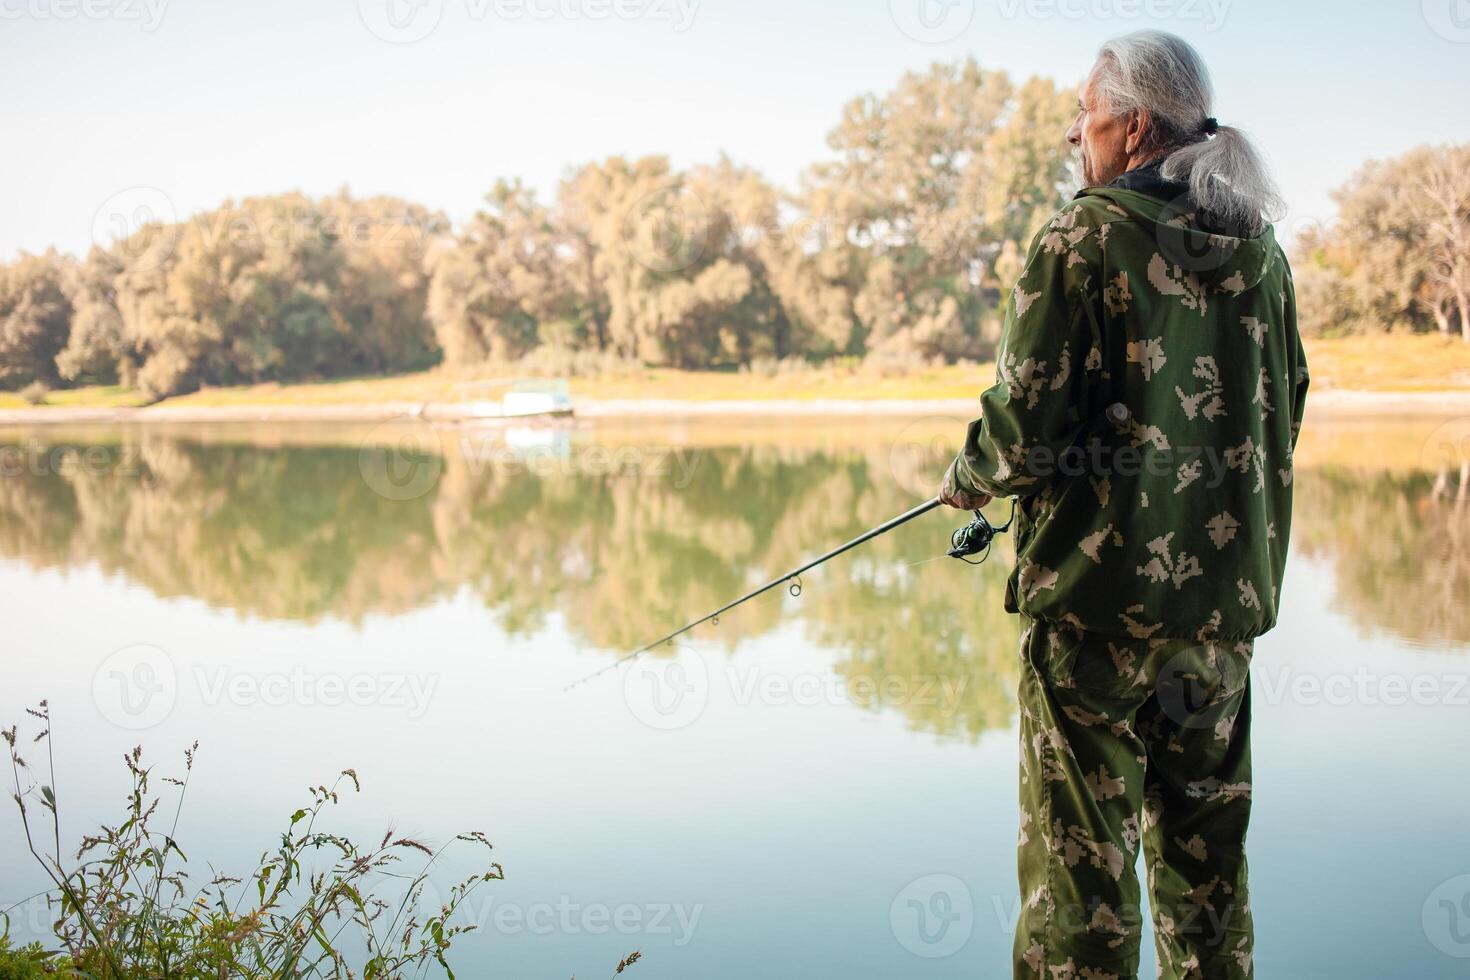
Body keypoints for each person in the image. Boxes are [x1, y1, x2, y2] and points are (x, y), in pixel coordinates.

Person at [939, 30, 1308, 980]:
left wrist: (968, 478)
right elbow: (1287, 407)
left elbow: (1024, 425)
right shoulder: (1262, 255)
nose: (1075, 136)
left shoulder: (1084, 234)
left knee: (1083, 892)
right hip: (1219, 627)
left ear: (1133, 125)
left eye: (1083, 114)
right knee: (1210, 885)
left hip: (1096, 623)